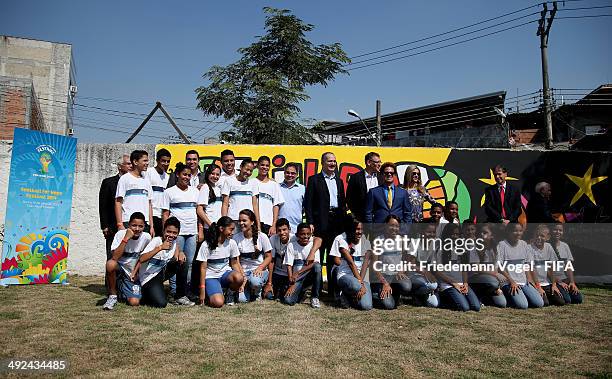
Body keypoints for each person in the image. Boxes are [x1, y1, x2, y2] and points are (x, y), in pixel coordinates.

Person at [304, 152, 347, 287]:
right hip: (320, 222)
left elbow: (342, 203)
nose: (332, 164)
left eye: (334, 161)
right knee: (319, 254)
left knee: (333, 256)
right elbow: (308, 203)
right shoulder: (314, 179)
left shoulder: (339, 181)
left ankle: (332, 289)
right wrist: (310, 221)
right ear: (322, 163)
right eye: (329, 161)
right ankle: (317, 288)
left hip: (336, 223)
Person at [161, 162, 200, 298]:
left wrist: (199, 230)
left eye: (189, 175)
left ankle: (185, 290)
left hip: (191, 231)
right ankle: (173, 290)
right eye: (184, 174)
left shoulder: (195, 191)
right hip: (177, 234)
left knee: (188, 263)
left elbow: (198, 212)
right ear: (177, 175)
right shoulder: (169, 192)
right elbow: (165, 214)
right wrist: (166, 233)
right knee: (176, 261)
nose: (187, 177)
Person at [138, 217, 194, 307]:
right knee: (161, 304)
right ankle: (146, 293)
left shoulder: (174, 242)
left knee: (183, 262)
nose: (171, 235)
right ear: (163, 230)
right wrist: (160, 248)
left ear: (178, 233)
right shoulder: (156, 241)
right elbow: (141, 259)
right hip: (149, 277)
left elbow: (176, 253)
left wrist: (181, 253)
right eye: (168, 231)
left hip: (161, 273)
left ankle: (180, 296)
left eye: (174, 233)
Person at [102, 212, 152, 310]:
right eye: (134, 225)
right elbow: (115, 257)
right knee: (110, 264)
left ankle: (121, 290)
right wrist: (126, 238)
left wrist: (138, 272)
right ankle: (112, 295)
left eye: (140, 226)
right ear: (129, 225)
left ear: (144, 227)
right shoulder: (120, 234)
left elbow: (146, 258)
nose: (137, 229)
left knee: (134, 302)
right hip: (120, 270)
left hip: (134, 274)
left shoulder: (146, 237)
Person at [195, 216, 244, 308]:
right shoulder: (206, 245)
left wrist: (240, 282)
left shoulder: (232, 243)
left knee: (239, 277)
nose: (232, 233)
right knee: (218, 303)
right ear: (221, 229)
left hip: (225, 274)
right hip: (211, 277)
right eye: (231, 229)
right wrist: (202, 288)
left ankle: (230, 294)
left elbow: (234, 263)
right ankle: (213, 292)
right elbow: (203, 268)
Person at [432, 223, 480, 312]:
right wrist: (454, 283)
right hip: (448, 285)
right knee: (464, 307)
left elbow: (464, 269)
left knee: (476, 307)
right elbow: (437, 272)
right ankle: (443, 298)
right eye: (452, 234)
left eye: (457, 234)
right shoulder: (440, 250)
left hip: (461, 284)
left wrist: (465, 283)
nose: (455, 236)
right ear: (447, 234)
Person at [99, 153, 131, 288]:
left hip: (130, 226)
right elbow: (103, 205)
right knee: (112, 257)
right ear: (120, 166)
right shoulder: (109, 183)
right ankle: (110, 288)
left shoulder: (135, 181)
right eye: (128, 163)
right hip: (113, 226)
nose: (131, 166)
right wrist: (105, 226)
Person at [329, 217, 373, 310]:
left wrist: (362, 281)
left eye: (361, 229)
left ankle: (349, 297)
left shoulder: (365, 240)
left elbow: (365, 263)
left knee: (366, 306)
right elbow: (350, 264)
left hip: (361, 275)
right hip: (346, 274)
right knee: (355, 285)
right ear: (351, 229)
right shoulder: (341, 239)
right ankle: (343, 292)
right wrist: (360, 284)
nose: (359, 232)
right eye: (357, 229)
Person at [497, 223, 544, 309]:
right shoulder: (501, 245)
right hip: (509, 282)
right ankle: (507, 295)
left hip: (523, 282)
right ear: (508, 232)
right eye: (515, 231)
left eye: (520, 231)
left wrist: (531, 282)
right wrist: (512, 282)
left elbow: (527, 265)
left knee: (539, 303)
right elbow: (500, 267)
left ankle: (521, 295)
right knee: (522, 305)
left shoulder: (524, 244)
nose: (518, 233)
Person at [371, 215, 412, 309]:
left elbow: (405, 259)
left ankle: (394, 292)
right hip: (383, 276)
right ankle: (376, 293)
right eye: (391, 225)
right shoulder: (378, 240)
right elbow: (374, 267)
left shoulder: (402, 240)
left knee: (407, 287)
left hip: (396, 276)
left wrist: (401, 270)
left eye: (397, 226)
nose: (394, 228)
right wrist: (384, 283)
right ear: (385, 225)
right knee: (389, 306)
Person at [232, 209, 273, 303]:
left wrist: (260, 268)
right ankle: (248, 289)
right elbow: (236, 261)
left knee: (255, 281)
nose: (241, 223)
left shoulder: (262, 236)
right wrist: (242, 277)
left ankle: (257, 291)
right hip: (243, 272)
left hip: (258, 271)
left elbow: (269, 256)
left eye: (244, 220)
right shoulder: (236, 238)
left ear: (252, 222)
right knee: (241, 300)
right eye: (240, 220)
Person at [283, 223, 323, 308]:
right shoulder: (291, 245)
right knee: (288, 300)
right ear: (297, 235)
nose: (306, 236)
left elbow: (316, 264)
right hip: (297, 279)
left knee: (317, 267)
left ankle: (315, 297)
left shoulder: (313, 246)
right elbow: (289, 265)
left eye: (308, 234)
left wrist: (298, 272)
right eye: (303, 234)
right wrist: (291, 283)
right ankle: (301, 292)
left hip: (308, 276)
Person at [115, 150, 154, 237]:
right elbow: (118, 202)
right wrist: (120, 224)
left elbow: (150, 204)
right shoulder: (125, 179)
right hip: (128, 222)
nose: (147, 163)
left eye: (147, 161)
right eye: (144, 161)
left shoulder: (147, 180)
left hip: (144, 224)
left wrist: (151, 226)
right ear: (135, 162)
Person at [467, 224, 507, 308]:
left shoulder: (495, 248)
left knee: (502, 303)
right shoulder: (474, 246)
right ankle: (476, 294)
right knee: (492, 282)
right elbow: (476, 268)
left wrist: (497, 286)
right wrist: (495, 275)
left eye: (485, 232)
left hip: (490, 279)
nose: (482, 234)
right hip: (475, 277)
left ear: (492, 235)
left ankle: (486, 297)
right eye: (481, 232)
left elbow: (495, 267)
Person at [528, 224, 565, 306]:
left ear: (548, 237)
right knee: (545, 303)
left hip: (546, 283)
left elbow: (551, 267)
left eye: (542, 236)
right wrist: (538, 286)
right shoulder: (529, 248)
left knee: (561, 302)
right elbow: (531, 269)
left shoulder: (548, 247)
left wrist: (554, 284)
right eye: (537, 235)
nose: (539, 238)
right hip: (535, 283)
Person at [405, 223, 439, 308]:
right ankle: (414, 293)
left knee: (434, 304)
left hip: (425, 275)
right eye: (428, 232)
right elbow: (410, 264)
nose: (431, 235)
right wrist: (425, 272)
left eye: (433, 232)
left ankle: (420, 296)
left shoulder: (434, 244)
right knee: (433, 285)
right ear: (422, 232)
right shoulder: (415, 243)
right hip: (413, 274)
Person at [221, 158, 261, 231]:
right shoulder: (229, 181)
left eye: (251, 171)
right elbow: (225, 204)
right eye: (246, 169)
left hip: (248, 222)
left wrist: (258, 224)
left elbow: (255, 205)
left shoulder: (253, 183)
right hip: (233, 221)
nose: (248, 172)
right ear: (241, 167)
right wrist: (224, 222)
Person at [550, 223, 583, 304]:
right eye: (555, 230)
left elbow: (568, 266)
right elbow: (546, 269)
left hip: (564, 279)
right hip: (552, 279)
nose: (557, 232)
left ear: (563, 232)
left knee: (578, 299)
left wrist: (572, 282)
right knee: (567, 300)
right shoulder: (547, 245)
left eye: (560, 230)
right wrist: (559, 282)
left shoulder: (565, 246)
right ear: (551, 231)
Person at [346, 152, 382, 222]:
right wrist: (356, 215)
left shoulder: (382, 177)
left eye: (380, 162)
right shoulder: (356, 178)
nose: (379, 164)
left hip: (379, 218)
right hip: (362, 218)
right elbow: (350, 198)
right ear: (368, 162)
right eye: (377, 162)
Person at [255, 156, 284, 235]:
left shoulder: (274, 184)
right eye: (262, 165)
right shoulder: (252, 182)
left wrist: (274, 225)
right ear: (257, 166)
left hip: (268, 224)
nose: (264, 167)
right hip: (254, 223)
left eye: (267, 166)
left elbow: (276, 205)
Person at [145, 149, 171, 237]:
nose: (166, 163)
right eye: (163, 161)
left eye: (168, 161)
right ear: (157, 161)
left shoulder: (167, 177)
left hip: (162, 215)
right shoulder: (148, 172)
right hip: (151, 215)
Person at [266, 218, 293, 300]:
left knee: (285, 297)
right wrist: (269, 283)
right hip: (277, 272)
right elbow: (271, 261)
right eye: (279, 230)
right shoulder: (273, 239)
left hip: (290, 274)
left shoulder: (295, 238)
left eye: (284, 230)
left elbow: (317, 239)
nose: (282, 233)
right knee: (269, 296)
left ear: (289, 229)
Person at [278, 162, 305, 233]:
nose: (290, 175)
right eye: (287, 172)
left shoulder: (302, 189)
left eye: (293, 173)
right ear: (284, 173)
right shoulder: (277, 187)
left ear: (297, 175)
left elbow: (307, 209)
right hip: (280, 229)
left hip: (297, 228)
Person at [197, 164, 223, 229]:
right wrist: (211, 225)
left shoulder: (218, 188)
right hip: (210, 227)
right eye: (212, 174)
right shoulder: (205, 187)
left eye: (217, 174)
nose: (215, 176)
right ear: (208, 174)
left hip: (219, 226)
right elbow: (199, 210)